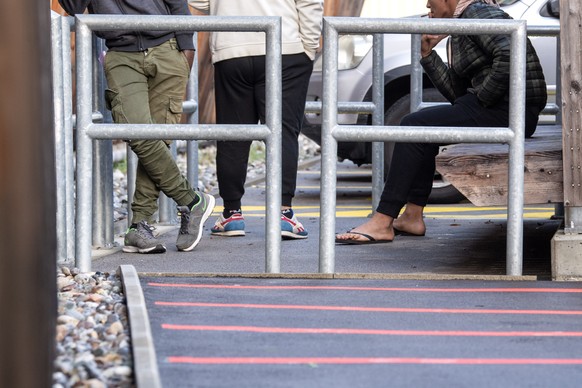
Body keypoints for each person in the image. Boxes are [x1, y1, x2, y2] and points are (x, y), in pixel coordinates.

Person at [336, 0, 547, 245]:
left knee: (413, 126)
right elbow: (458, 95)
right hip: (501, 107)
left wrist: (481, 98)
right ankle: (412, 217)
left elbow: (511, 53)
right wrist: (428, 55)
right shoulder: (460, 24)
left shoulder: (478, 12)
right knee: (421, 130)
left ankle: (383, 221)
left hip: (511, 110)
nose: (427, 4)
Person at [59, 0, 215, 254]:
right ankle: (190, 200)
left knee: (158, 140)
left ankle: (139, 226)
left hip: (168, 47)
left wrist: (186, 48)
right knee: (139, 135)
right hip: (121, 53)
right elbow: (74, 5)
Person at [188, 0, 323, 239]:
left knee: (233, 134)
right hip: (286, 47)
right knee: (283, 132)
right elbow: (309, 3)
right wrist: (309, 48)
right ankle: (283, 214)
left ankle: (231, 214)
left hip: (232, 48)